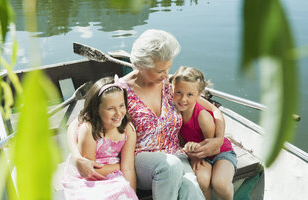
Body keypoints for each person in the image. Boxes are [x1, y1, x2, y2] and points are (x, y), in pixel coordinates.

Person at [67, 29, 225, 199]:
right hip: (139, 160)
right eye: (159, 71)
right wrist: (76, 157)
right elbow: (78, 122)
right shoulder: (121, 90)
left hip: (176, 154)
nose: (166, 75)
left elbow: (213, 109)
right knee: (170, 166)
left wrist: (218, 140)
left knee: (192, 188)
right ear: (141, 65)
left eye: (168, 68)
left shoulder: (170, 85)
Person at [62, 76, 138, 200]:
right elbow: (90, 172)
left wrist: (133, 194)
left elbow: (128, 169)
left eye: (121, 105)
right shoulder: (89, 129)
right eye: (110, 109)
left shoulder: (128, 129)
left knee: (124, 189)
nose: (118, 113)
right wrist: (119, 166)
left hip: (113, 176)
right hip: (87, 179)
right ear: (97, 110)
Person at [172, 66, 237, 200]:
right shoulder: (175, 113)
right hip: (199, 153)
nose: (183, 99)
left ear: (199, 94)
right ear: (172, 88)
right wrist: (192, 153)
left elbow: (214, 147)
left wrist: (195, 152)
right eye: (178, 92)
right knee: (201, 180)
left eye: (189, 94)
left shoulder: (203, 117)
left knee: (221, 184)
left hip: (220, 152)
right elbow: (182, 141)